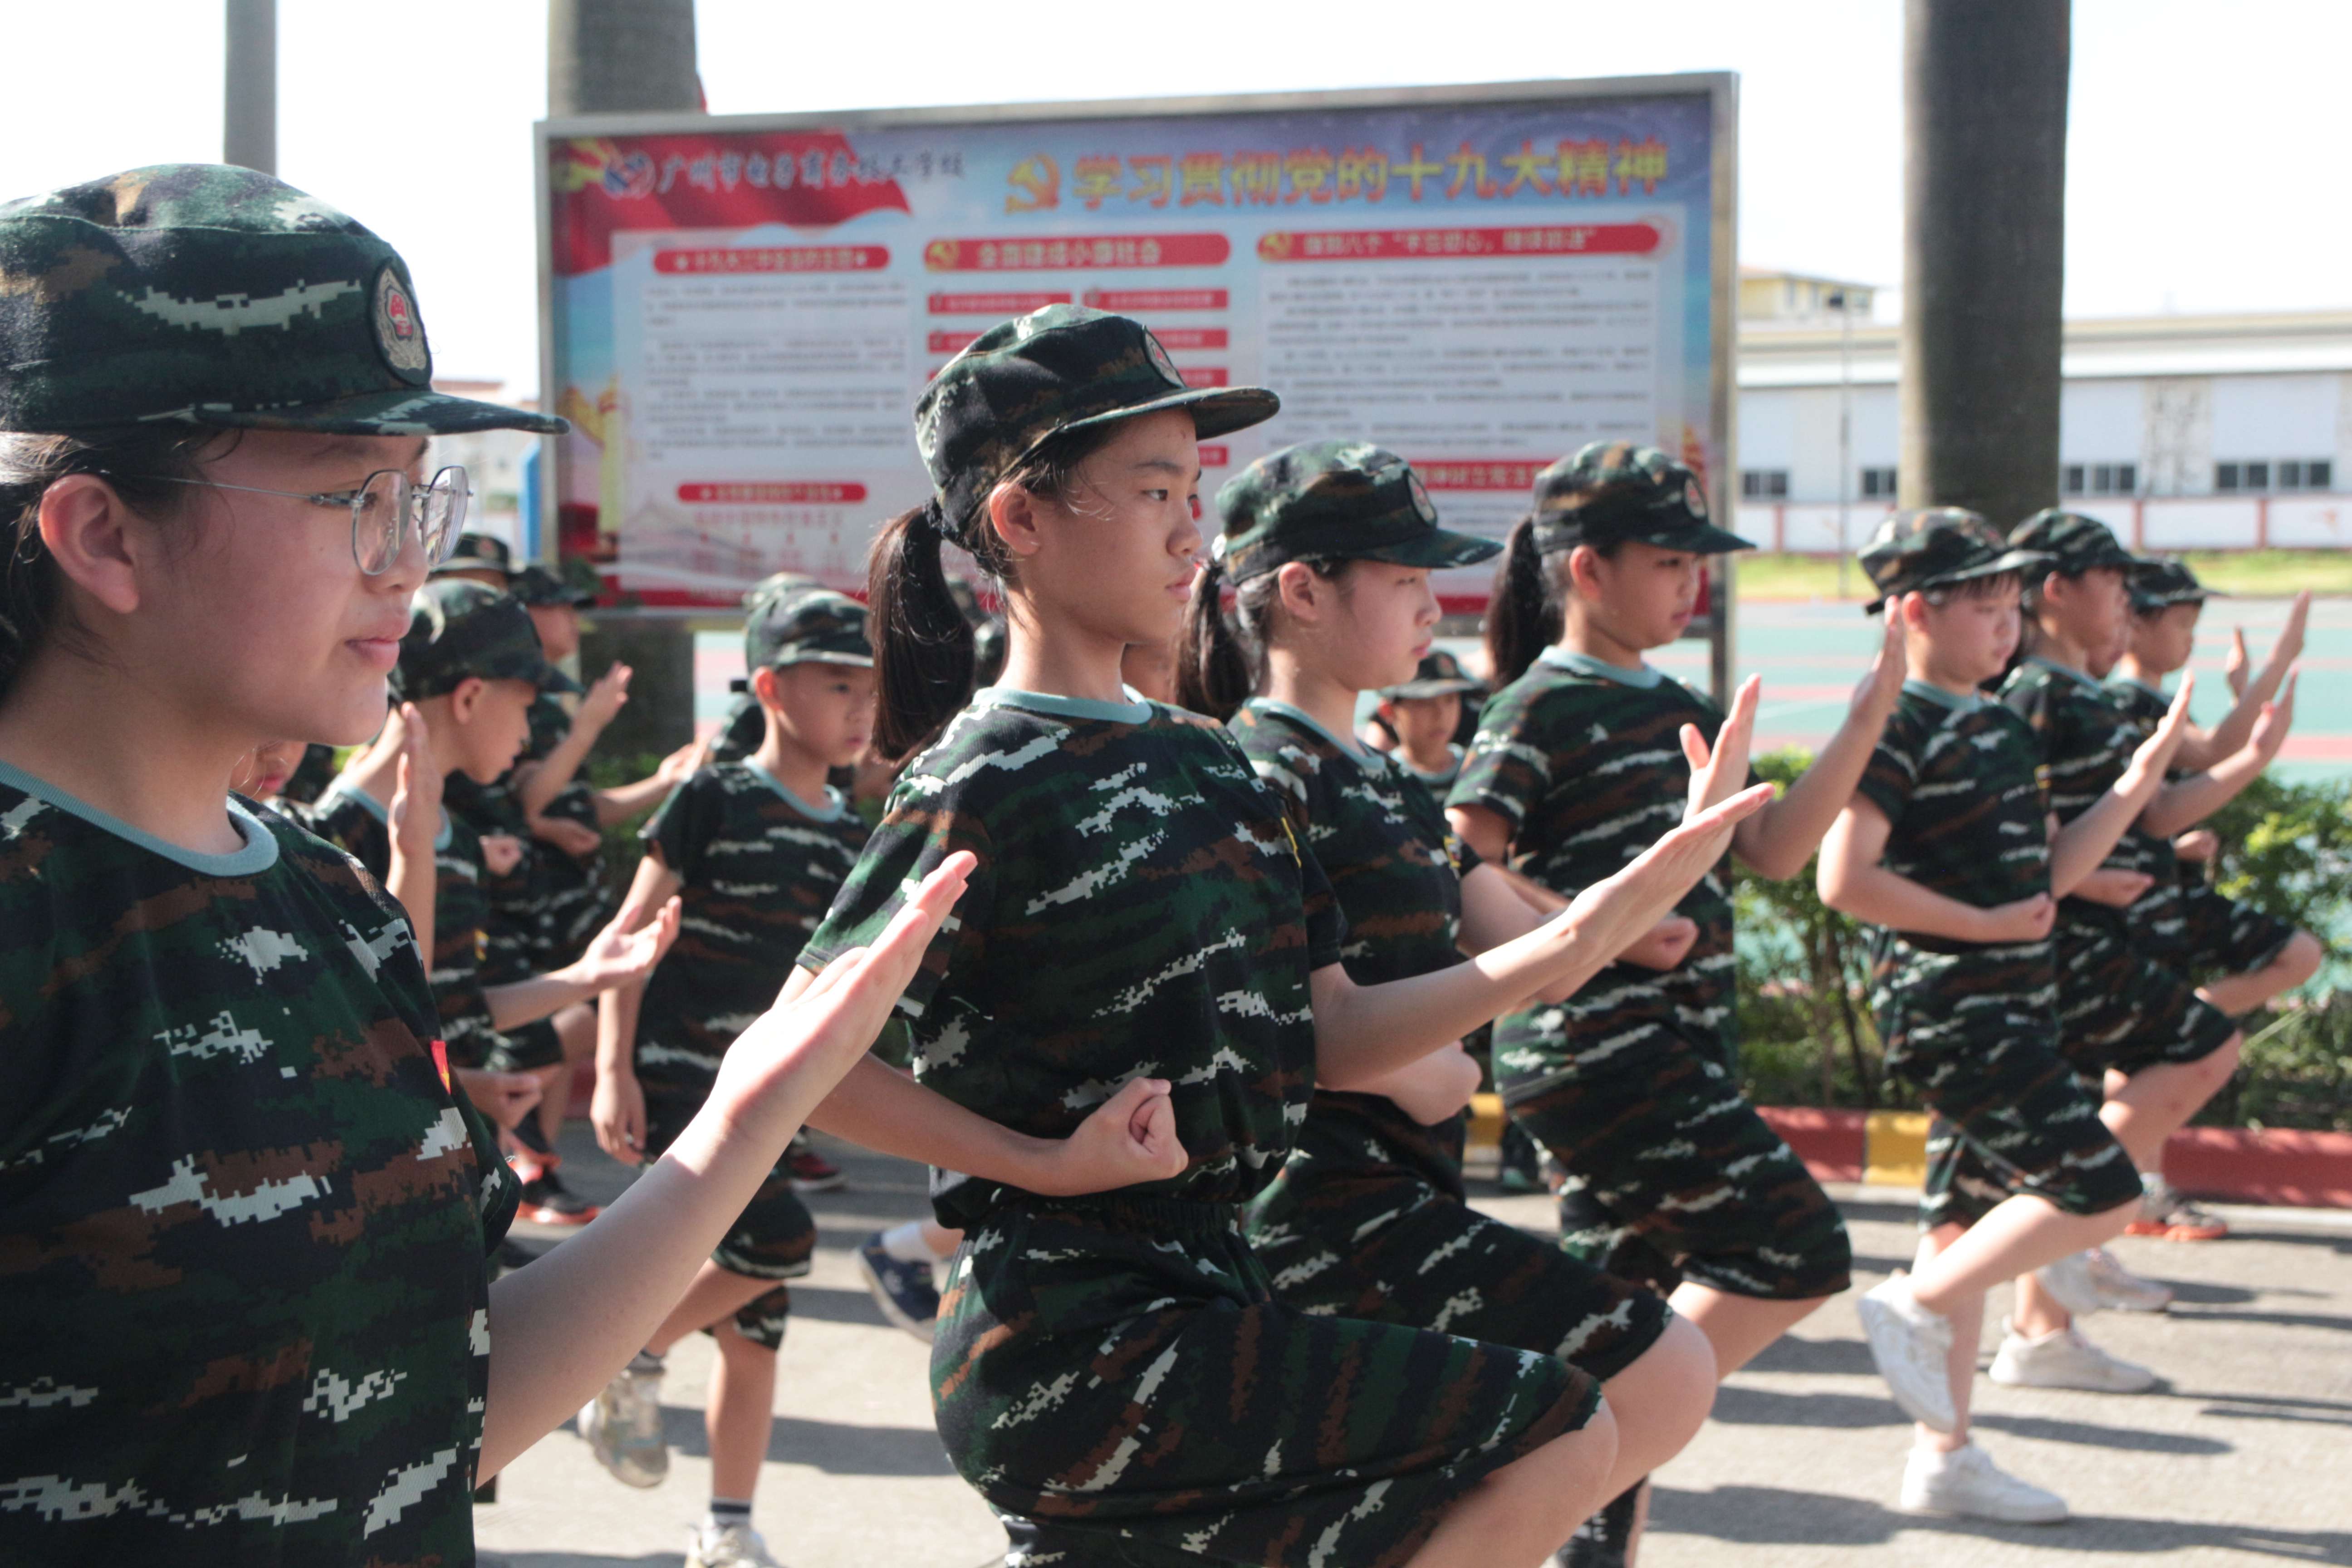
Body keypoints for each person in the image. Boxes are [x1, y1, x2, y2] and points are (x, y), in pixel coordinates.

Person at [0, 162, 995, 1565]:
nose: (411, 564)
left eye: (424, 499)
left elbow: (435, 1413)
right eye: (356, 497)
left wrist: (758, 1101)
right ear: (102, 531)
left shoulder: (325, 896)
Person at [786, 304, 1771, 1568]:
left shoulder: (1219, 766)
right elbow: (802, 1063)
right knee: (1556, 1429)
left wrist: (1586, 932)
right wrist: (1028, 1162)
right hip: (1070, 1335)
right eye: (1152, 491)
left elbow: (1341, 1031)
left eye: (1190, 489)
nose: (1191, 525)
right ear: (1021, 521)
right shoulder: (986, 774)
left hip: (1217, 1285)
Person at [1179, 440, 1721, 1568]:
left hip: (1397, 1188)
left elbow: (1542, 957)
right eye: (1407, 576)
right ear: (1303, 590)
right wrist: (1435, 1065)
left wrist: (1664, 869)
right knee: (1646, 1373)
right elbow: (1299, 1026)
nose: (1439, 601)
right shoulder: (1253, 772)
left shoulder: (1377, 774)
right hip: (1315, 1205)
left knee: (1567, 1429)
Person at [1443, 442, 1902, 1553]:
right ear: (1588, 570)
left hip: (1671, 1053)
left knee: (1610, 1325)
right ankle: (1575, 1438)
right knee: (1793, 1248)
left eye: (1695, 558)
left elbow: (1782, 849)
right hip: (1596, 1045)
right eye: (1667, 558)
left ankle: (1578, 1503)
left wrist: (1866, 714)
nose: (1690, 579)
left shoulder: (1680, 699)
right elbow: (1454, 858)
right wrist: (1609, 923)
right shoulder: (1536, 703)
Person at [1818, 508, 2211, 1521]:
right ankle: (1917, 1306)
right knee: (2103, 1189)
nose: (2006, 623)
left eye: (2008, 603)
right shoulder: (1896, 718)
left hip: (2010, 1000)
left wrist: (2130, 788)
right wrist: (1986, 926)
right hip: (1951, 1005)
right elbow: (1844, 878)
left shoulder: (1996, 719)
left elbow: (2046, 877)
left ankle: (1943, 1456)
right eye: (1983, 604)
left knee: (1957, 1220)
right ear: (1914, 609)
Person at [1929, 513, 2288, 1360]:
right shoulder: (2031, 694)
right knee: (2188, 1054)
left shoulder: (2070, 693)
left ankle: (2040, 1323)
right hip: (2059, 941)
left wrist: (2239, 762)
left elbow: (2148, 809)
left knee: (2025, 1159)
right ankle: (2042, 1292)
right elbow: (2019, 832)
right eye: (2112, 581)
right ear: (2056, 590)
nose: (2128, 598)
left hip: (2085, 935)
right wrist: (2078, 876)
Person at [583, 590, 881, 1567]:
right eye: (838, 684)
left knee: (758, 1334)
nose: (860, 708)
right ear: (770, 689)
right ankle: (623, 1354)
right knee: (776, 1242)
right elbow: (628, 937)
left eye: (867, 688)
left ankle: (727, 1528)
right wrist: (610, 1067)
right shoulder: (711, 795)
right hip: (683, 1083)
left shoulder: (852, 829)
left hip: (778, 1100)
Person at [303, 580, 676, 1225]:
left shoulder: (453, 833)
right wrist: (462, 1088)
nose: (530, 733)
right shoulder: (330, 841)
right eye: (528, 705)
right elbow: (339, 1046)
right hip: (372, 1190)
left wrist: (589, 976)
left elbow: (454, 1011)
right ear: (471, 696)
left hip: (448, 1172)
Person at [2109, 561, 2322, 1230]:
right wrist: (2280, 662)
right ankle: (2129, 1192)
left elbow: (2202, 759)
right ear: (2132, 619)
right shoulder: (2116, 702)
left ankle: (2135, 1191)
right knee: (2152, 1053)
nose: (2188, 639)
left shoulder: (2142, 701)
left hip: (2161, 890)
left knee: (2164, 1047)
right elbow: (2169, 794)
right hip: (2133, 899)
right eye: (2179, 624)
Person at [1375, 648, 1484, 791]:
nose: (1441, 714)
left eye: (1450, 700)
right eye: (1425, 703)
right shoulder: (1380, 781)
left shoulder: (1479, 772)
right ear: (1389, 711)